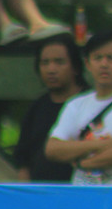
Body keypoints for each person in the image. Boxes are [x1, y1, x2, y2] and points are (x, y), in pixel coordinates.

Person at [45, 31, 112, 185]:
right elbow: (52, 149)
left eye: (111, 58)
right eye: (97, 58)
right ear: (88, 64)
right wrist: (102, 145)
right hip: (83, 201)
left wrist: (81, 162)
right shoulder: (75, 105)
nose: (104, 64)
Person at [13, 33, 88, 182]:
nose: (51, 69)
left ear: (75, 67)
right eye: (45, 63)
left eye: (59, 62)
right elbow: (22, 159)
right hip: (41, 194)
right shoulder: (37, 107)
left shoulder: (92, 103)